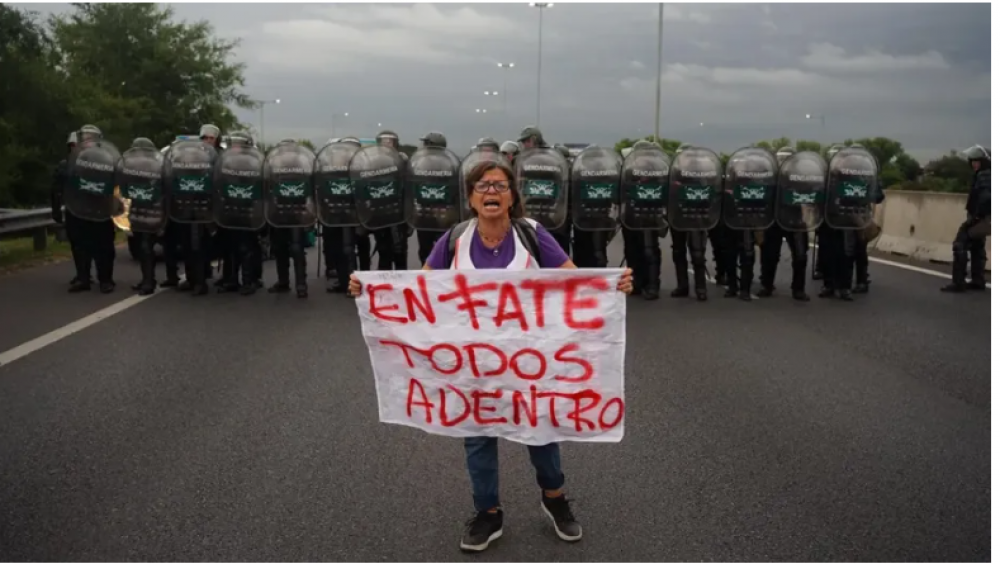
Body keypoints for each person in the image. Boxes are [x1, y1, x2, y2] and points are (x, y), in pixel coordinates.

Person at [348, 159, 632, 553]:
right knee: (477, 436)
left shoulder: (532, 235)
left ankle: (554, 498)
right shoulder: (455, 239)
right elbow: (421, 289)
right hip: (474, 366)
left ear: (512, 196)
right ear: (470, 197)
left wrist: (609, 285)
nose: (491, 192)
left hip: (530, 362)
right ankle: (488, 513)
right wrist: (372, 292)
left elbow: (573, 280)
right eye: (482, 186)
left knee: (541, 429)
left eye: (499, 186)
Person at [942, 145, 990, 292]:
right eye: (972, 161)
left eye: (977, 161)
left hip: (985, 218)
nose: (974, 164)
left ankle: (958, 282)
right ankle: (978, 280)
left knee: (960, 242)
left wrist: (976, 218)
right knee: (976, 245)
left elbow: (986, 198)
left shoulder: (985, 175)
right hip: (987, 218)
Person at [52, 132, 93, 290]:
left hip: (91, 210)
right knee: (77, 243)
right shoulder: (65, 165)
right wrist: (56, 209)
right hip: (73, 209)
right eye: (72, 146)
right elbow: (56, 189)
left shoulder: (94, 164)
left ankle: (102, 278)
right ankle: (83, 275)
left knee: (95, 244)